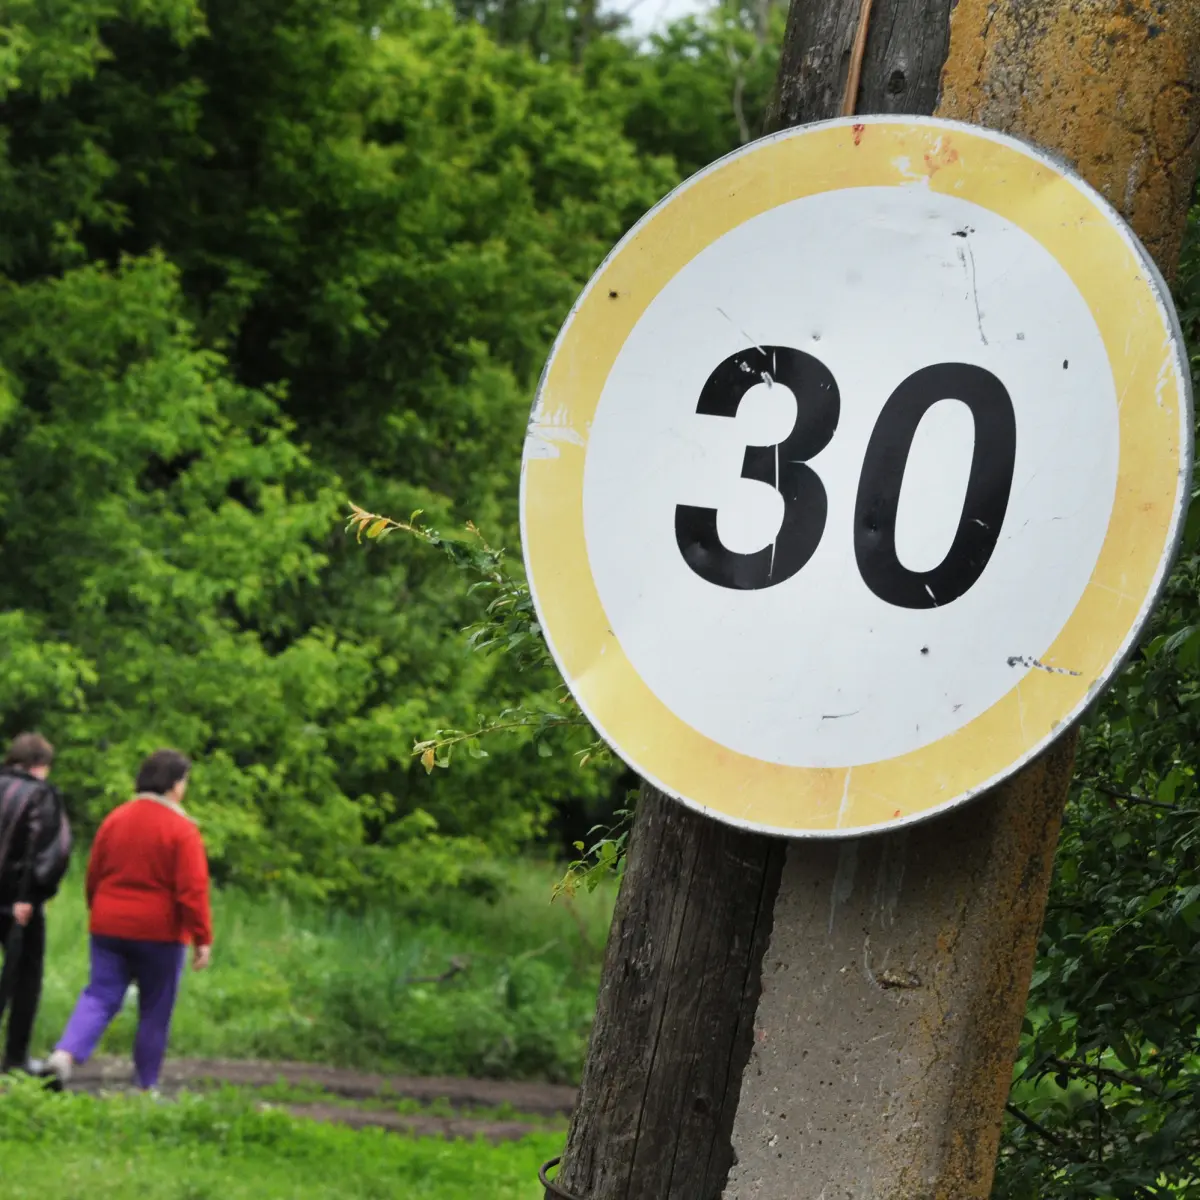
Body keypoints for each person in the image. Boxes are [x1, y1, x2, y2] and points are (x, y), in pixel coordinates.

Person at [47, 748, 212, 1092]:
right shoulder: (182, 830)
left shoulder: (115, 818)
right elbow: (191, 891)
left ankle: (65, 1054)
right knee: (155, 1007)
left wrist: (100, 911)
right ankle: (145, 1086)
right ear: (173, 785)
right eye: (184, 781)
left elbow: (94, 873)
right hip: (160, 933)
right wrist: (202, 938)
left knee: (100, 994)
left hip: (109, 925)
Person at [0, 732, 72, 1075]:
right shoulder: (41, 795)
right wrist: (32, 896)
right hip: (18, 905)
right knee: (26, 977)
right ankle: (15, 1057)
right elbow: (51, 854)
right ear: (41, 764)